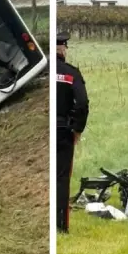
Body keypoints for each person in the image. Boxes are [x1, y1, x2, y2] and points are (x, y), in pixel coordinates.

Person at [56, 31, 89, 234]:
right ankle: (60, 226)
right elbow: (83, 104)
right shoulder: (71, 73)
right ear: (62, 48)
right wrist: (77, 128)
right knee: (61, 178)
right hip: (62, 132)